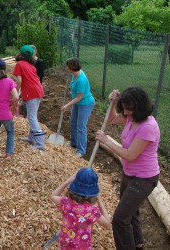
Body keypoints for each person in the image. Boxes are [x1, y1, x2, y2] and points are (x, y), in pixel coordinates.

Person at [95, 87, 160, 250]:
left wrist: (107, 141)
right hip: (130, 173)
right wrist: (114, 102)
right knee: (131, 214)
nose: (126, 112)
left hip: (144, 178)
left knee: (120, 219)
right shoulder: (132, 117)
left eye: (129, 109)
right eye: (124, 107)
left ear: (139, 107)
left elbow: (130, 155)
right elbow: (112, 120)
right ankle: (138, 245)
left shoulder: (147, 126)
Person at [50, 167, 111, 249]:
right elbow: (107, 223)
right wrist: (99, 200)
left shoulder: (65, 202)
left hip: (65, 242)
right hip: (82, 246)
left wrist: (67, 182)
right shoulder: (91, 210)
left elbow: (53, 195)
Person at [14, 45, 46, 150]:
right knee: (33, 115)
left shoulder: (19, 64)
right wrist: (21, 94)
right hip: (38, 91)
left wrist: (16, 92)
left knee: (31, 117)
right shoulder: (31, 65)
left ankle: (40, 142)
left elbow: (19, 81)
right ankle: (31, 138)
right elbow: (30, 81)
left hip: (32, 93)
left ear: (20, 54)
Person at [61, 57, 95, 158]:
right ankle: (74, 143)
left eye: (68, 67)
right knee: (73, 122)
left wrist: (67, 105)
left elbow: (79, 97)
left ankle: (81, 150)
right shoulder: (75, 74)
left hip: (85, 104)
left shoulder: (81, 79)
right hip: (78, 103)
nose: (67, 69)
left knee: (81, 127)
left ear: (72, 68)